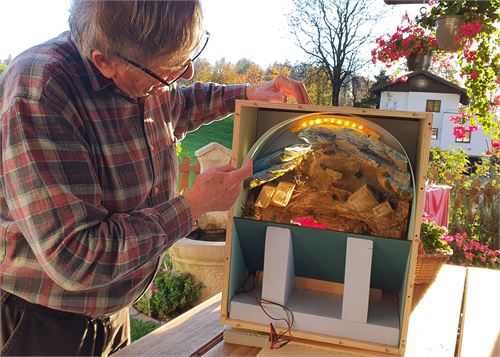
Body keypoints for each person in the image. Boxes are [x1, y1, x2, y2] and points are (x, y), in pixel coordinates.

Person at [0, 1, 312, 355]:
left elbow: (181, 103)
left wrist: (247, 93)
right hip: (43, 324)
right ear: (105, 63)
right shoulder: (40, 89)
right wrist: (194, 206)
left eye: (187, 57)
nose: (188, 74)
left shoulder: (140, 73)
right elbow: (76, 257)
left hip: (111, 310)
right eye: (169, 70)